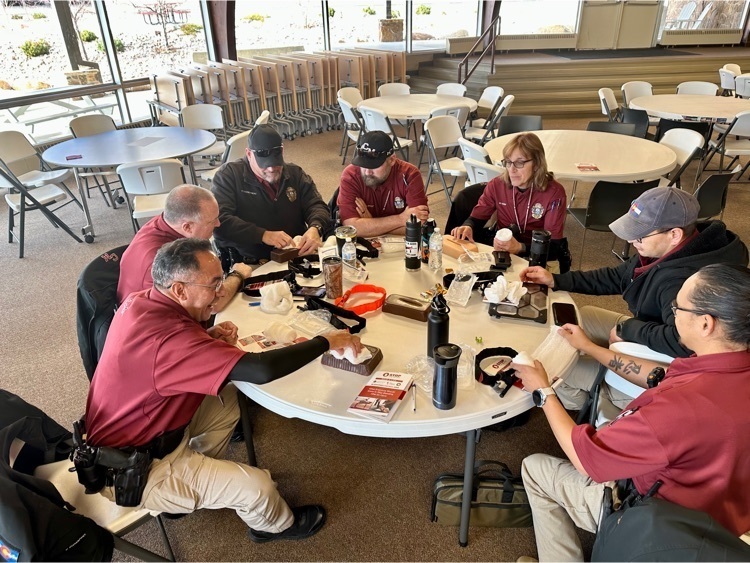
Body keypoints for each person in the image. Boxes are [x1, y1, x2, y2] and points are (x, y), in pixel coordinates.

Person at [85, 238, 361, 543]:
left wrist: (209, 340)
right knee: (258, 488)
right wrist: (328, 340)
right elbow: (261, 370)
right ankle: (273, 525)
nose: (220, 293)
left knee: (226, 397)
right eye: (214, 284)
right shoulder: (168, 343)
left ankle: (194, 477)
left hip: (140, 432)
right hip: (134, 470)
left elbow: (162, 361)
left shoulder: (141, 301)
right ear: (179, 289)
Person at [513, 264, 750, 562]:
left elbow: (586, 457)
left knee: (535, 469)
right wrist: (589, 347)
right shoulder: (724, 368)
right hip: (725, 521)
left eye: (678, 307)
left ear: (706, 324)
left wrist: (543, 391)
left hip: (657, 524)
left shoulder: (678, 410)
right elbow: (660, 375)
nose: (673, 314)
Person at [521, 186, 748, 412]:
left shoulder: (680, 282)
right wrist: (556, 280)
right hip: (650, 330)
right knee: (585, 315)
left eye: (639, 235)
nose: (631, 241)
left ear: (674, 234)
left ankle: (589, 403)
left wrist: (627, 329)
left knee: (556, 365)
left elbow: (681, 340)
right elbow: (619, 276)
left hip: (662, 363)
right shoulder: (681, 244)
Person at [116, 184, 251, 312]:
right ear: (187, 227)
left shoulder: (168, 222)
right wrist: (237, 275)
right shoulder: (163, 259)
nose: (218, 224)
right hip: (156, 325)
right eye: (212, 221)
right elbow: (210, 305)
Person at [211, 124, 331, 263]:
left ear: (282, 152)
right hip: (250, 261)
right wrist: (262, 235)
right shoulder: (228, 176)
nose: (271, 169)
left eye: (276, 163)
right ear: (249, 154)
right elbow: (219, 222)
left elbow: (317, 205)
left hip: (296, 254)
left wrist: (316, 228)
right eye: (265, 164)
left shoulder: (295, 173)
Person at [450, 132, 567, 259]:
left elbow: (555, 247)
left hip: (538, 253)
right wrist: (468, 226)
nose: (511, 169)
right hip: (503, 250)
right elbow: (476, 219)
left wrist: (520, 248)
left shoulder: (554, 193)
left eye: (519, 163)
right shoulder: (497, 185)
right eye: (508, 162)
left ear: (537, 164)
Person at [337, 131, 429, 237]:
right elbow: (351, 228)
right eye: (363, 165)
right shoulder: (350, 175)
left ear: (392, 160)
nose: (367, 172)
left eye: (374, 166)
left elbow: (419, 227)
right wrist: (401, 219)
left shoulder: (410, 174)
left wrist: (370, 223)